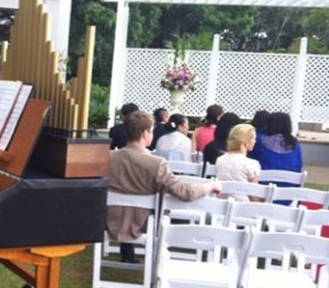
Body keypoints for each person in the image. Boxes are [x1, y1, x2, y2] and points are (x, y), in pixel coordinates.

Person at [108, 111, 220, 262]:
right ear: (145, 134)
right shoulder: (157, 164)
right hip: (145, 223)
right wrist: (210, 185)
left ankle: (127, 252)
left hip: (110, 219)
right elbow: (185, 192)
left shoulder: (107, 158)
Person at [216, 124, 261, 202]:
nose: (255, 141)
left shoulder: (219, 160)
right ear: (246, 142)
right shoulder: (252, 164)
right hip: (243, 209)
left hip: (221, 206)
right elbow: (254, 196)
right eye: (254, 139)